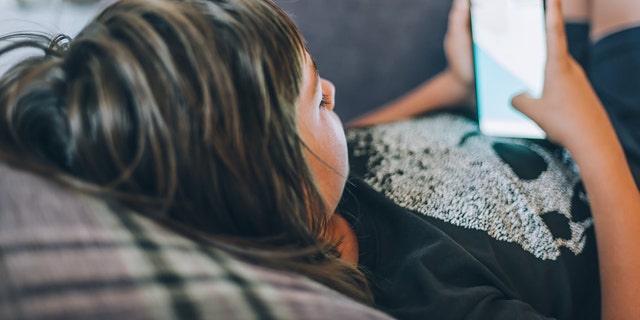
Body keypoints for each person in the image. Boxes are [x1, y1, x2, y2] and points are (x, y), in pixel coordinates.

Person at [0, 0, 638, 320]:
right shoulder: (427, 298)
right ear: (272, 179)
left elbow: (353, 141)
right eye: (316, 98)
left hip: (533, 119)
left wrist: (453, 84)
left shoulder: (307, 190)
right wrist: (592, 138)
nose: (332, 92)